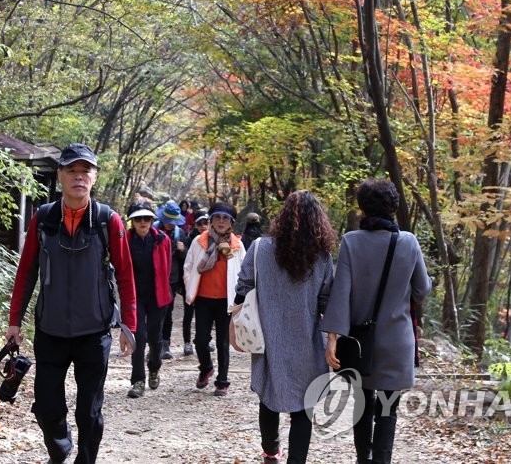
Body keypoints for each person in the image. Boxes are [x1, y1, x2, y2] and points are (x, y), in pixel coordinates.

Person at [6, 143, 137, 464]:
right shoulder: (44, 219)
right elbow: (26, 272)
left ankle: (86, 460)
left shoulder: (108, 220)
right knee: (47, 406)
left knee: (89, 411)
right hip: (50, 330)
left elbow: (125, 275)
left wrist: (129, 325)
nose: (79, 177)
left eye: (85, 171)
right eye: (72, 171)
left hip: (94, 332)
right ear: (61, 176)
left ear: (94, 177)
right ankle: (60, 446)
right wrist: (14, 321)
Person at [323, 178, 431, 464]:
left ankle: (363, 459)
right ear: (393, 206)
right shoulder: (408, 242)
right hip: (397, 342)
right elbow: (422, 290)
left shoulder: (351, 241)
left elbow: (341, 291)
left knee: (363, 403)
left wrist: (333, 337)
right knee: (388, 408)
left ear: (363, 207)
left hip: (360, 343)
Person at [233, 191, 334, 464]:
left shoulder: (260, 248)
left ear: (283, 216)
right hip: (308, 339)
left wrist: (234, 327)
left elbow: (243, 288)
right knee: (304, 406)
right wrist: (333, 340)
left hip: (268, 336)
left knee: (269, 395)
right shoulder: (322, 256)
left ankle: (270, 451)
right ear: (318, 221)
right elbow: (327, 301)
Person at [183, 201, 245, 397]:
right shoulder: (199, 241)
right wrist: (190, 286)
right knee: (200, 340)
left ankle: (222, 381)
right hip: (203, 298)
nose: (220, 221)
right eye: (217, 217)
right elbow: (189, 266)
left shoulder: (237, 245)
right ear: (210, 220)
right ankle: (206, 367)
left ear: (231, 223)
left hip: (226, 300)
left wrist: (240, 297)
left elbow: (244, 271)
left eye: (225, 218)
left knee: (223, 341)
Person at [124, 201, 173, 398]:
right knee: (138, 338)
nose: (142, 222)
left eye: (146, 218)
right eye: (138, 218)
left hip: (158, 297)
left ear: (152, 220)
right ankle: (138, 380)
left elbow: (167, 268)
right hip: (135, 298)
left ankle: (154, 367)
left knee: (155, 338)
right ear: (132, 222)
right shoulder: (125, 240)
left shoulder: (162, 239)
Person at [154, 199, 187, 360]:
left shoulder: (179, 233)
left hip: (171, 279)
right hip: (154, 278)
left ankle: (165, 343)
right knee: (154, 312)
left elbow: (185, 260)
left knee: (168, 312)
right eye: (168, 221)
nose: (170, 225)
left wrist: (182, 251)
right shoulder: (152, 230)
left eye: (173, 222)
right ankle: (154, 343)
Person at [181, 211, 209, 356]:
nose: (203, 226)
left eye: (206, 223)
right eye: (200, 223)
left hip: (206, 286)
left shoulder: (216, 240)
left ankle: (204, 339)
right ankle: (187, 342)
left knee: (205, 316)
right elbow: (185, 263)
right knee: (188, 314)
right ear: (195, 225)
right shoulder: (189, 239)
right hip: (191, 284)